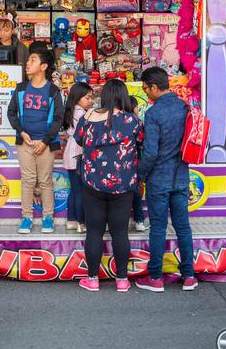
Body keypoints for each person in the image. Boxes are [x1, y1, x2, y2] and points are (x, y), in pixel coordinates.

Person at [74, 79, 144, 292]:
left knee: (94, 231)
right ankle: (122, 280)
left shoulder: (87, 117)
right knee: (120, 231)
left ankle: (92, 279)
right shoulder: (133, 121)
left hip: (93, 183)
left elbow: (79, 140)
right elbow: (142, 142)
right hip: (123, 185)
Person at [135, 67, 197, 293]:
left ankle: (156, 277)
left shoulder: (153, 113)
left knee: (158, 227)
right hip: (181, 176)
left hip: (158, 179)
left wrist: (140, 175)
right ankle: (189, 276)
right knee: (183, 227)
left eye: (145, 88)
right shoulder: (184, 106)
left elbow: (150, 152)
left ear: (153, 87)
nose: (145, 92)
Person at [8, 49, 63, 235]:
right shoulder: (21, 88)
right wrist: (21, 132)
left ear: (44, 66)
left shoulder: (53, 91)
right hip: (25, 143)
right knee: (28, 181)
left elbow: (58, 119)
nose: (27, 63)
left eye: (32, 60)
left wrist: (46, 141)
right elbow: (11, 113)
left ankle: (48, 217)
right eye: (28, 60)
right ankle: (26, 217)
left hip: (46, 144)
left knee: (46, 181)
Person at [62, 82, 93, 233]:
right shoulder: (82, 114)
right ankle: (82, 222)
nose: (90, 101)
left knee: (74, 190)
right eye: (87, 97)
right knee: (81, 191)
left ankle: (71, 220)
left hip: (70, 152)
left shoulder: (70, 111)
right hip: (79, 152)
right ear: (78, 97)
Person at [127, 95, 148, 233]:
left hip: (119, 163)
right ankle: (139, 221)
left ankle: (112, 223)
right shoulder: (137, 122)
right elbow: (142, 140)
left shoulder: (116, 120)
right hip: (135, 162)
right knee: (136, 193)